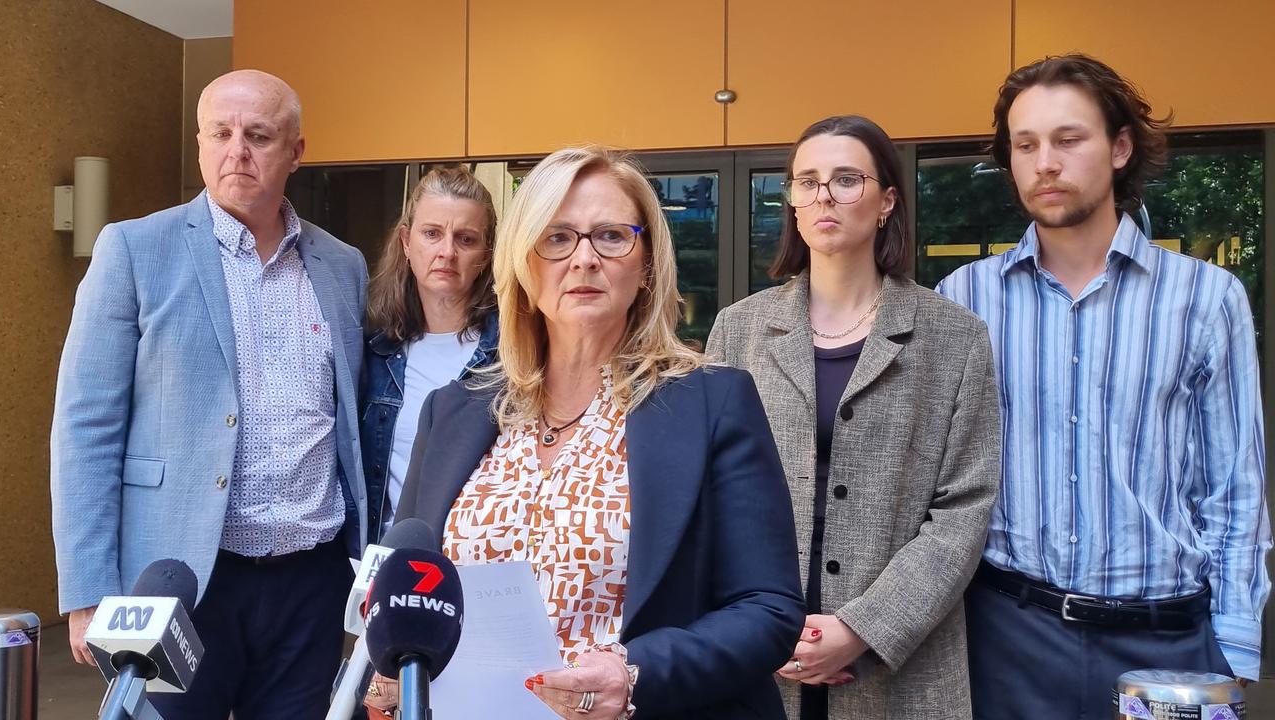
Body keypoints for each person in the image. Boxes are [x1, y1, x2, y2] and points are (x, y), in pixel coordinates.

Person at [365, 146, 804, 720]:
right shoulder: (452, 411)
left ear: (645, 262)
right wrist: (390, 675)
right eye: (557, 237)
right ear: (524, 263)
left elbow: (767, 607)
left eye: (611, 236)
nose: (584, 259)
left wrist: (636, 675)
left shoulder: (712, 402)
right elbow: (411, 584)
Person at [936, 53, 1271, 719]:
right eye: (1024, 145)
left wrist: (1230, 646)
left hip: (1168, 642)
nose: (1044, 163)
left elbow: (1237, 489)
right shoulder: (964, 299)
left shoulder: (1207, 299)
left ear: (1120, 147)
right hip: (1009, 638)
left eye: (1068, 139)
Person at [50, 69, 369, 718]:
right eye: (220, 133)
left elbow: (353, 422)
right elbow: (86, 427)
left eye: (257, 135)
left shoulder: (343, 266)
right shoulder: (135, 249)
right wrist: (88, 592)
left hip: (310, 583)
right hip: (179, 578)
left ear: (297, 151)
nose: (236, 151)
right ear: (200, 142)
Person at [707, 115, 1001, 719]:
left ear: (887, 200)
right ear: (790, 199)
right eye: (807, 180)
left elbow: (964, 509)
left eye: (846, 179)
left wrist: (863, 628)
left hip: (901, 658)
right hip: (759, 642)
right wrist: (754, 622)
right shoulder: (739, 329)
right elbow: (710, 493)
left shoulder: (954, 336)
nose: (824, 196)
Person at [361, 166, 500, 543]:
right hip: (390, 569)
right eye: (432, 233)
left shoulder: (512, 357)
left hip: (474, 567)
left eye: (466, 239)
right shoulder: (375, 352)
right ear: (407, 243)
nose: (447, 252)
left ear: (486, 254)